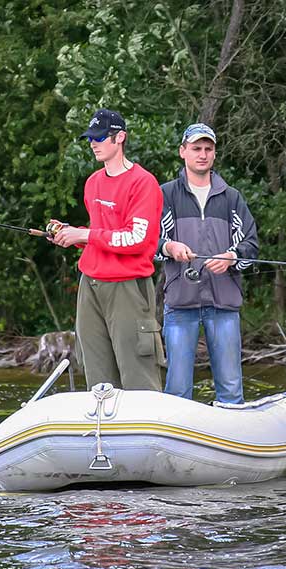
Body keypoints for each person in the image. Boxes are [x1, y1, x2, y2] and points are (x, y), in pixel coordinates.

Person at [49, 108, 164, 391]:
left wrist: (85, 235)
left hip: (127, 287)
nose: (93, 143)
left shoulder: (143, 182)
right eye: (91, 137)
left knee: (138, 372)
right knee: (96, 372)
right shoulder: (93, 183)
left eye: (100, 137)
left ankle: (146, 429)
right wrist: (71, 235)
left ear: (120, 138)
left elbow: (136, 238)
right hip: (90, 285)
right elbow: (101, 232)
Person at [156, 123, 259, 404]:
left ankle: (232, 442)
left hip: (223, 304)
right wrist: (169, 246)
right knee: (177, 390)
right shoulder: (165, 195)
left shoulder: (232, 197)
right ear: (183, 152)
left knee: (230, 388)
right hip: (179, 304)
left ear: (214, 154)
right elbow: (149, 241)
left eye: (208, 149)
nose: (202, 154)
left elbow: (251, 245)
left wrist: (232, 257)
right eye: (196, 148)